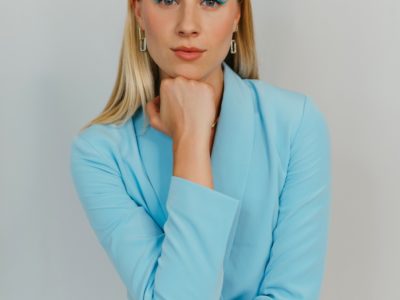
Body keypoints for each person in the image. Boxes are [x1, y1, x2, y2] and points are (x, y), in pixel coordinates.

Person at [70, 0, 332, 299]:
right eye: (167, 0)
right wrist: (190, 140)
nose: (188, 26)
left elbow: (293, 294)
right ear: (139, 11)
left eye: (211, 1)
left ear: (238, 15)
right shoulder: (100, 153)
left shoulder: (294, 123)